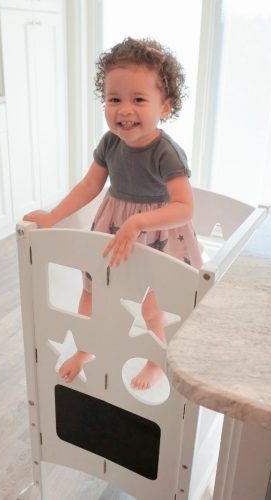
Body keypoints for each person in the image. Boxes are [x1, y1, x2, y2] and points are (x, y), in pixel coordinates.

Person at [24, 37, 202, 390]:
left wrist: (139, 222)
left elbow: (184, 207)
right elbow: (89, 186)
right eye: (114, 99)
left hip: (158, 235)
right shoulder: (110, 144)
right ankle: (86, 347)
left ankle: (156, 360)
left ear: (164, 107)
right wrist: (52, 216)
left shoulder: (166, 152)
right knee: (91, 292)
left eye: (138, 99)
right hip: (115, 229)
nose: (124, 110)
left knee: (152, 307)